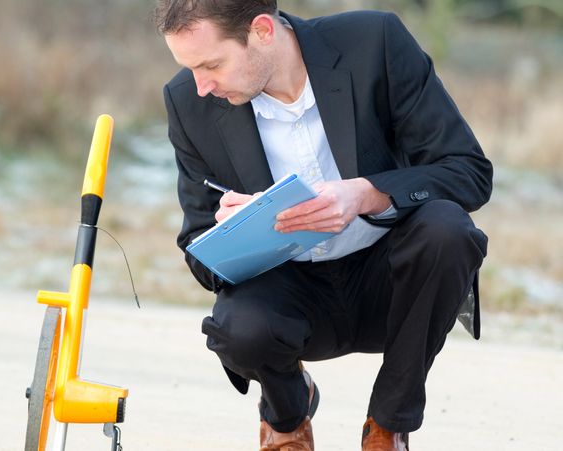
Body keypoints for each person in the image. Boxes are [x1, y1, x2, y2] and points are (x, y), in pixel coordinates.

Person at [155, 1, 492, 449]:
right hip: (290, 298)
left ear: (262, 32)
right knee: (238, 328)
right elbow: (198, 249)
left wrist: (369, 193)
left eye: (211, 64)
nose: (201, 86)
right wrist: (239, 232)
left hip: (391, 283)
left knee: (448, 229)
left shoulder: (376, 43)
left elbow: (468, 171)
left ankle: (388, 425)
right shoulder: (187, 103)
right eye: (190, 68)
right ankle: (288, 417)